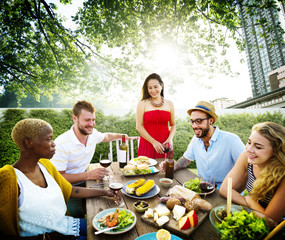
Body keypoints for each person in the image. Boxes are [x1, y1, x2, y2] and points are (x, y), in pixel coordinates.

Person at [0, 119, 116, 239]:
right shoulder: (8, 178)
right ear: (28, 143)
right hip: (52, 236)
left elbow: (70, 190)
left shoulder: (45, 165)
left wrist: (105, 192)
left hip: (66, 226)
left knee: (116, 227)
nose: (54, 143)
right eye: (48, 139)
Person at [50, 100, 128, 217]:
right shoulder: (62, 143)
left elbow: (106, 136)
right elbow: (58, 178)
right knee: (76, 214)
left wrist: (122, 136)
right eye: (87, 120)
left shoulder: (93, 134)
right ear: (75, 118)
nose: (91, 124)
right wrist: (88, 175)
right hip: (67, 187)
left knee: (111, 203)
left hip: (87, 182)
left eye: (93, 120)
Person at [160, 100, 245, 188]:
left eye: (199, 121)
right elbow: (186, 159)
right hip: (203, 187)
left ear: (211, 121)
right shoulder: (195, 139)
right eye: (192, 121)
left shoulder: (231, 139)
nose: (194, 126)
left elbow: (247, 169)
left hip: (226, 190)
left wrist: (231, 192)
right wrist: (171, 167)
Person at [219, 122, 285, 223]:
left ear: (276, 151)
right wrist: (249, 203)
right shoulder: (246, 157)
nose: (249, 149)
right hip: (253, 215)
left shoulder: (283, 175)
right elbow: (224, 189)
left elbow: (270, 221)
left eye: (258, 147)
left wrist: (250, 200)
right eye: (249, 142)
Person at [136, 73, 176, 158]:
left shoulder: (169, 104)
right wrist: (154, 142)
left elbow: (173, 125)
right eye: (150, 88)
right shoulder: (142, 103)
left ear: (161, 85)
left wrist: (170, 139)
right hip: (147, 144)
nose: (153, 90)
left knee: (165, 169)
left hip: (164, 145)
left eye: (155, 87)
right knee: (145, 170)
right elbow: (139, 127)